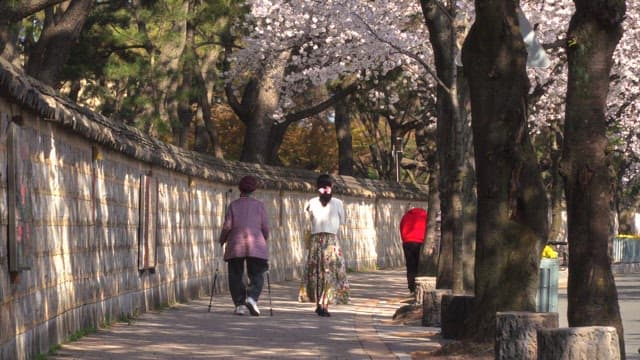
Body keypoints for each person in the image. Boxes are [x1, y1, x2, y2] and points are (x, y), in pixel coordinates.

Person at [218, 175, 270, 316]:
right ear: (254, 190)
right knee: (257, 274)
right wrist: (264, 240)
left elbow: (227, 226)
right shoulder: (260, 206)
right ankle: (252, 298)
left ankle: (240, 305)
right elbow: (265, 227)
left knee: (235, 274)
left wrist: (222, 239)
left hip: (236, 243)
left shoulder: (233, 205)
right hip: (256, 244)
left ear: (240, 189)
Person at [301, 174, 350, 317]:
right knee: (330, 273)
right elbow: (342, 222)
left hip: (316, 240)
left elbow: (309, 221)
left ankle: (319, 304)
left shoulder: (311, 202)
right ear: (331, 187)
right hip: (331, 241)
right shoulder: (338, 203)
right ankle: (324, 305)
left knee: (316, 272)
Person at [399, 207, 427, 295]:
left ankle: (411, 287)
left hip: (408, 242)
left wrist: (405, 239)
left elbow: (401, 227)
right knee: (421, 265)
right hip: (421, 242)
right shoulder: (425, 216)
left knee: (410, 266)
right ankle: (419, 287)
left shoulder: (406, 216)